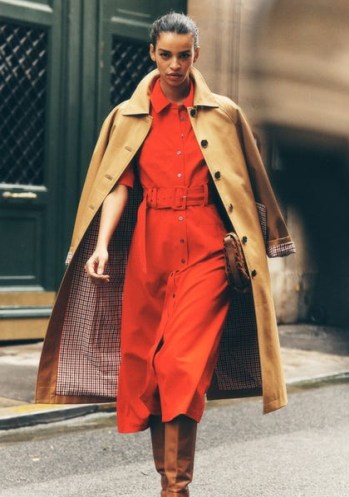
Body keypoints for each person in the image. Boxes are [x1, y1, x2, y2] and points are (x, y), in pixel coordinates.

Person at [36, 12, 295, 496]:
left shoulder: (225, 114)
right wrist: (104, 246)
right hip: (148, 253)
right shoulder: (127, 116)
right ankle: (169, 482)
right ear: (152, 54)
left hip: (207, 253)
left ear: (197, 54)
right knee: (151, 368)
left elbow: (251, 184)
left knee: (180, 364)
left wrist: (263, 242)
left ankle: (175, 489)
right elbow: (116, 186)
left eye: (184, 54)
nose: (175, 65)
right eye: (165, 54)